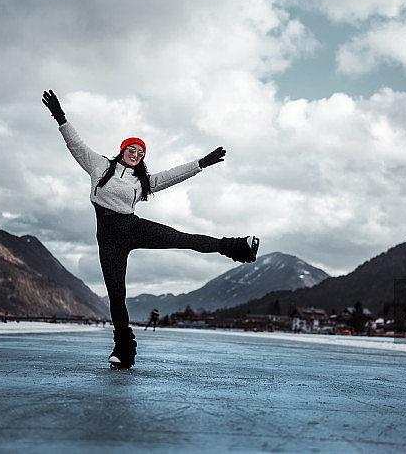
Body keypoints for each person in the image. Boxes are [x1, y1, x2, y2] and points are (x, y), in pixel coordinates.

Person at [42, 90, 259, 369]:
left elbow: (171, 175)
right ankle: (123, 351)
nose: (135, 154)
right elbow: (75, 144)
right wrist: (60, 117)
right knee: (116, 295)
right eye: (131, 149)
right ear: (122, 150)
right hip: (108, 238)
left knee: (184, 239)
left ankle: (239, 247)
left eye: (140, 152)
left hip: (133, 227)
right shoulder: (99, 166)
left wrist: (201, 163)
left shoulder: (142, 180)